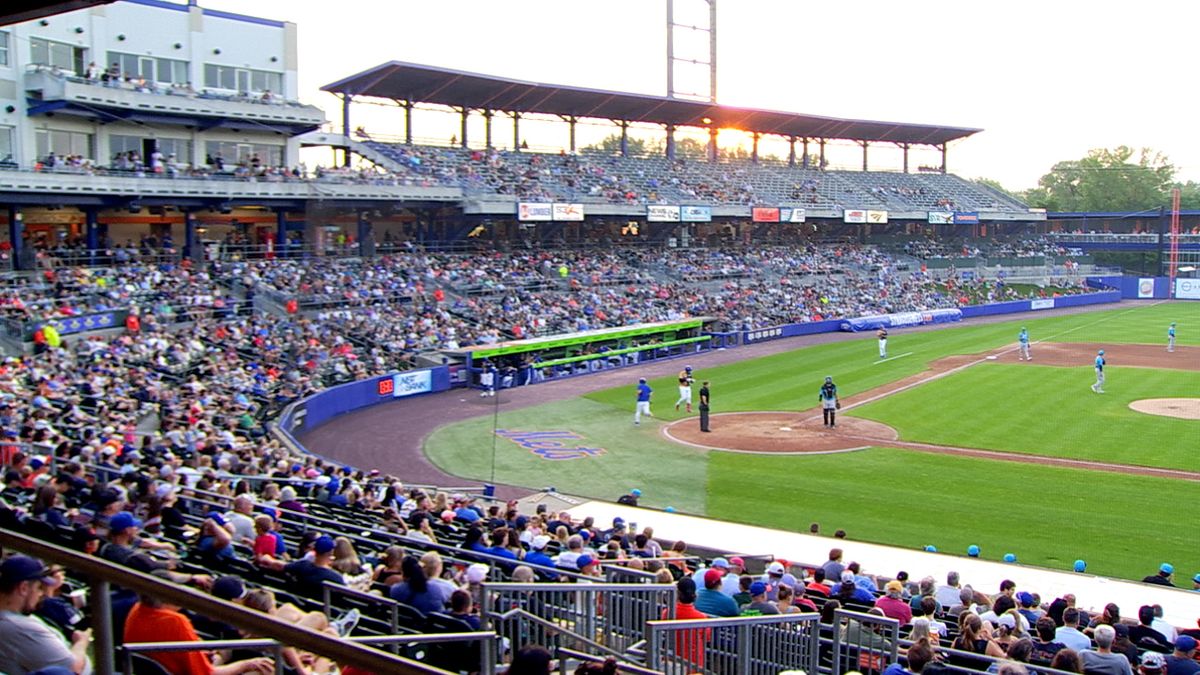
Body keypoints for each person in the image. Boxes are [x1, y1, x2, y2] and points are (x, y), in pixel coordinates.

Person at [0, 555, 93, 675]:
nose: (41, 594)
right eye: (39, 587)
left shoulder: (15, 619)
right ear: (23, 588)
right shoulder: (16, 627)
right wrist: (81, 641)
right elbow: (73, 668)